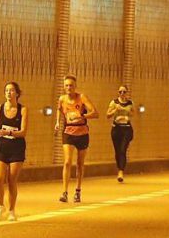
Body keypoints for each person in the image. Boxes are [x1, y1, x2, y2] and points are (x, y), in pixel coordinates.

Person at [55, 75, 96, 203]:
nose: (69, 88)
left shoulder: (82, 97)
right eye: (66, 85)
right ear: (64, 86)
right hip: (68, 132)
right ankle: (65, 192)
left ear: (75, 86)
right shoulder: (62, 99)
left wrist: (82, 116)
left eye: (71, 85)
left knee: (79, 163)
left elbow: (95, 112)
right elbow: (59, 110)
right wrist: (57, 122)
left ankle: (78, 191)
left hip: (82, 133)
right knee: (67, 161)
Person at [0, 81, 27, 221]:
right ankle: (0, 206)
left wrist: (9, 132)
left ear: (17, 93)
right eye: (6, 90)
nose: (9, 93)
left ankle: (12, 210)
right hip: (2, 146)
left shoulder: (23, 110)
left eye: (12, 90)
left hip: (16, 147)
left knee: (11, 180)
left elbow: (23, 132)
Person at [106, 85, 135, 182]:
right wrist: (115, 110)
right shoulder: (114, 103)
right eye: (120, 92)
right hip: (116, 129)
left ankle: (121, 171)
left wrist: (128, 115)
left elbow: (133, 113)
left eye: (124, 92)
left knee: (123, 149)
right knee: (117, 151)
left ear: (127, 93)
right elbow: (107, 115)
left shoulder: (130, 103)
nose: (122, 94)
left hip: (126, 129)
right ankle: (119, 167)